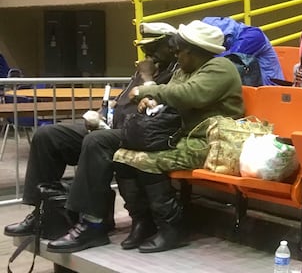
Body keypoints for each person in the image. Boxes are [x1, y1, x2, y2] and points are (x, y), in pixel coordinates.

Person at [5, 22, 179, 253]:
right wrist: (100, 114)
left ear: (171, 46)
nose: (147, 55)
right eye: (146, 49)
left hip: (144, 135)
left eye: (154, 48)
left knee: (95, 143)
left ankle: (92, 224)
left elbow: (156, 111)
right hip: (113, 127)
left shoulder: (176, 72)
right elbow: (121, 101)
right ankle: (43, 213)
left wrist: (148, 78)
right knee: (48, 135)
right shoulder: (142, 71)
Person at [111, 20, 244, 253]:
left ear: (195, 52)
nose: (176, 55)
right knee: (121, 156)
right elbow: (171, 95)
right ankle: (143, 221)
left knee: (146, 161)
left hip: (211, 143)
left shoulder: (221, 67)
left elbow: (190, 95)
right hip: (181, 136)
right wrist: (152, 101)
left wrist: (147, 90)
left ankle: (173, 228)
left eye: (180, 51)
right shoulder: (185, 70)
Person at [201, 16, 284, 86]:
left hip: (269, 89)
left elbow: (229, 60)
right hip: (252, 87)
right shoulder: (231, 35)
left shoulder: (253, 35)